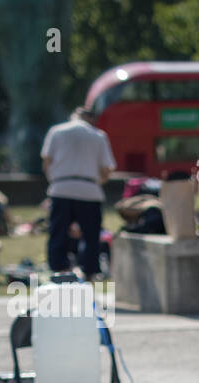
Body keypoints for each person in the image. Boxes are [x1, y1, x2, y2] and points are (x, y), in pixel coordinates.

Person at [41, 107, 114, 277]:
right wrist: (97, 182)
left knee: (58, 231)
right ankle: (89, 270)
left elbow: (46, 161)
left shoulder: (56, 131)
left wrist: (55, 180)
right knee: (91, 234)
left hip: (61, 187)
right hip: (89, 189)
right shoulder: (98, 135)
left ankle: (58, 268)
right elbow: (106, 169)